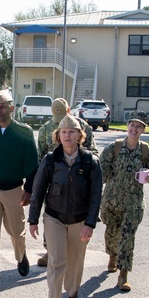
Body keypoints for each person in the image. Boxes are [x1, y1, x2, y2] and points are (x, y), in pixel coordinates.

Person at [27, 115, 103, 298]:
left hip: (80, 219)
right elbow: (38, 191)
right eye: (63, 132)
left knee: (76, 261)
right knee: (56, 261)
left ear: (80, 135)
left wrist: (90, 223)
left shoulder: (90, 161)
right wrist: (33, 220)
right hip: (54, 218)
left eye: (72, 132)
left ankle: (72, 291)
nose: (67, 135)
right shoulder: (50, 160)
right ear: (58, 136)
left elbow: (97, 195)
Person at [0, 90, 39, 295]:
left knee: (15, 231)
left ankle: (21, 256)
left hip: (13, 189)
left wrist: (28, 190)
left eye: (2, 106)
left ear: (12, 108)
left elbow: (32, 164)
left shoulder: (24, 132)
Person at [98, 110, 149, 292]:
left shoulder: (146, 151)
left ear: (143, 130)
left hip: (133, 204)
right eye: (132, 125)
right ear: (128, 127)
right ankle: (112, 256)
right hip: (111, 202)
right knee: (111, 233)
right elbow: (100, 172)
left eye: (139, 126)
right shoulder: (114, 148)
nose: (135, 128)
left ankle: (123, 274)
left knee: (127, 238)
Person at [35, 97, 97, 267]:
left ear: (69, 111)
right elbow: (40, 156)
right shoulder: (44, 130)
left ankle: (72, 251)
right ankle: (51, 250)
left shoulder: (83, 127)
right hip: (54, 178)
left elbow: (94, 153)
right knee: (52, 212)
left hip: (79, 177)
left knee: (77, 217)